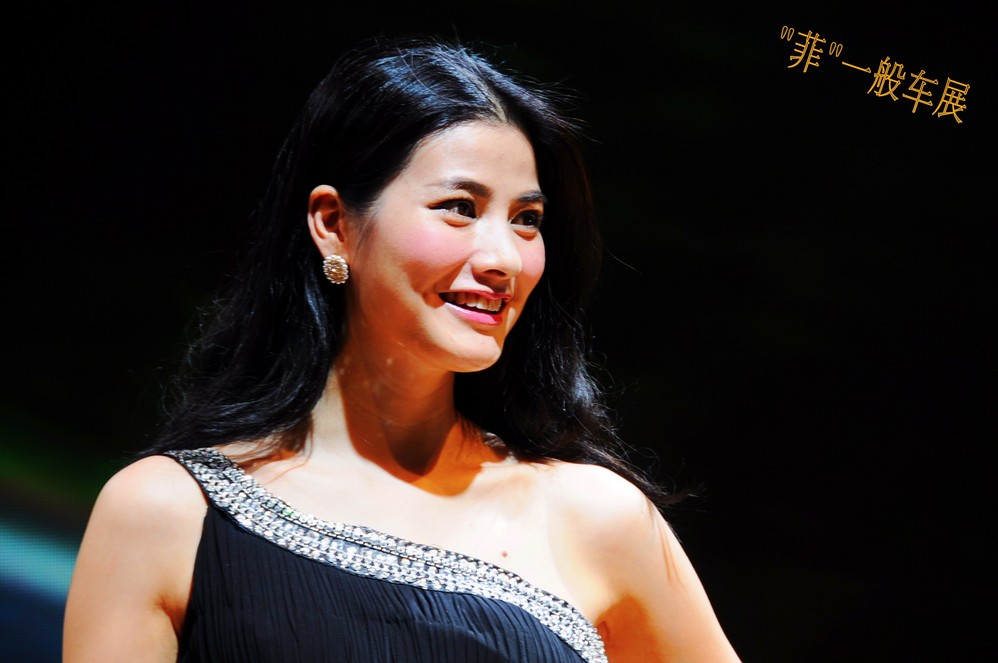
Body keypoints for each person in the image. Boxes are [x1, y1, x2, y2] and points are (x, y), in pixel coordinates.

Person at [63, 36, 741, 662]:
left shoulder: (598, 518)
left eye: (527, 219)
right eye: (459, 207)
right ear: (333, 224)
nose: (504, 258)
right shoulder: (165, 513)